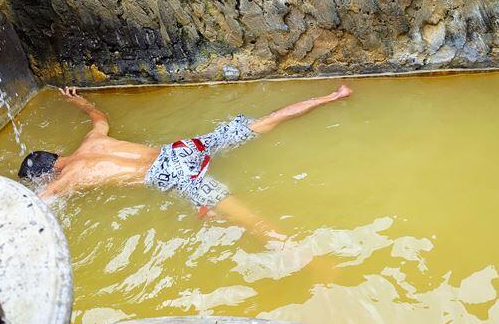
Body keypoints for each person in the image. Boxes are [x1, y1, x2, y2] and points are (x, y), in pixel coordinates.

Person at [19, 85, 352, 234]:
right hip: (178, 149)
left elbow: (34, 208)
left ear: (48, 173)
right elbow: (97, 115)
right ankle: (334, 95)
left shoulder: (63, 182)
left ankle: (314, 264)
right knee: (262, 122)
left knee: (251, 222)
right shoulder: (94, 139)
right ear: (56, 155)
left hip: (172, 172)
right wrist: (78, 102)